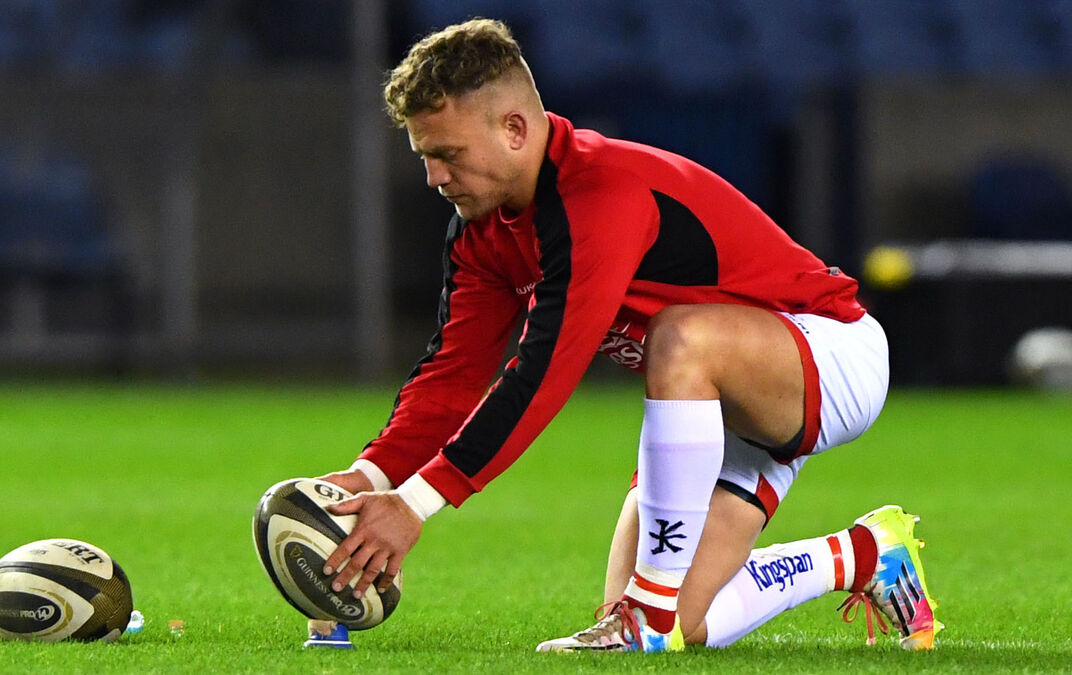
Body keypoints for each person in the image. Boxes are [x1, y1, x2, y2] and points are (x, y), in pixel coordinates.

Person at [307, 18, 941, 652]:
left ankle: (647, 614)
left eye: (448, 154)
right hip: (716, 403)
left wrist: (415, 503)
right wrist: (372, 476)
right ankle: (864, 555)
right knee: (683, 620)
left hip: (828, 356)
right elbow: (453, 377)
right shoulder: (482, 231)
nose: (434, 177)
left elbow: (543, 372)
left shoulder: (597, 193)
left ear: (514, 130)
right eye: (424, 156)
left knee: (678, 339)